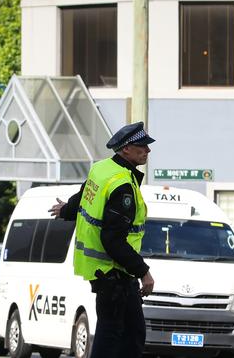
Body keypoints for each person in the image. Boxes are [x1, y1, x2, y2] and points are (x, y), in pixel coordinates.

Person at [49, 121, 155, 358]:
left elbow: (85, 194)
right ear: (126, 149)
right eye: (142, 147)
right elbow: (112, 239)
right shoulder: (123, 185)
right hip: (113, 272)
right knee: (116, 335)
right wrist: (143, 272)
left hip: (108, 272)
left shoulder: (102, 168)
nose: (147, 151)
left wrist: (67, 209)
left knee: (128, 334)